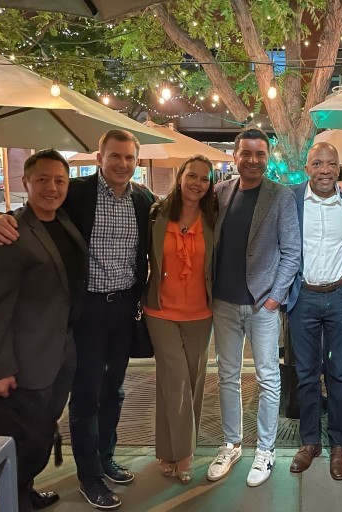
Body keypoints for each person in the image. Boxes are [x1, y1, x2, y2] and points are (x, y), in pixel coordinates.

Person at [0, 129, 155, 510]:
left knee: (115, 389)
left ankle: (106, 457)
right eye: (115, 156)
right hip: (87, 310)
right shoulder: (75, 193)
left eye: (129, 157)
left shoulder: (144, 200)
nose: (122, 164)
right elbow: (33, 216)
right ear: (100, 157)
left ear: (136, 161)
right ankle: (89, 476)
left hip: (125, 308)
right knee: (87, 395)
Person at [0, 149, 87, 512]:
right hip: (27, 357)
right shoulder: (10, 234)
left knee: (41, 428)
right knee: (21, 432)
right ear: (25, 182)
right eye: (42, 179)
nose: (52, 188)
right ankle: (12, 498)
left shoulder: (64, 223)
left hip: (64, 350)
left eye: (60, 180)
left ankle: (23, 491)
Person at [206, 127, 301, 487]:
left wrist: (275, 297)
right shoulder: (220, 192)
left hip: (263, 304)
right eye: (246, 153)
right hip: (224, 304)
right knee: (227, 376)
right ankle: (231, 444)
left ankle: (265, 450)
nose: (253, 160)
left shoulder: (279, 196)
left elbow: (292, 252)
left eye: (260, 154)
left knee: (268, 378)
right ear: (235, 156)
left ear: (267, 157)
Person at [285, 142, 342, 481]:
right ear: (307, 168)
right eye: (317, 163)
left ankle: (338, 444)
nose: (324, 169)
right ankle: (309, 442)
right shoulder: (290, 199)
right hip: (303, 296)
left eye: (331, 164)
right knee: (305, 374)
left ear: (340, 168)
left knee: (341, 374)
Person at [143, 155, 217, 484]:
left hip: (201, 311)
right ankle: (185, 453)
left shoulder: (215, 218)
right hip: (160, 310)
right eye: (192, 175)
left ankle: (167, 450)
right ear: (180, 176)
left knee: (193, 380)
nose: (197, 183)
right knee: (176, 379)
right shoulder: (156, 213)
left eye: (204, 178)